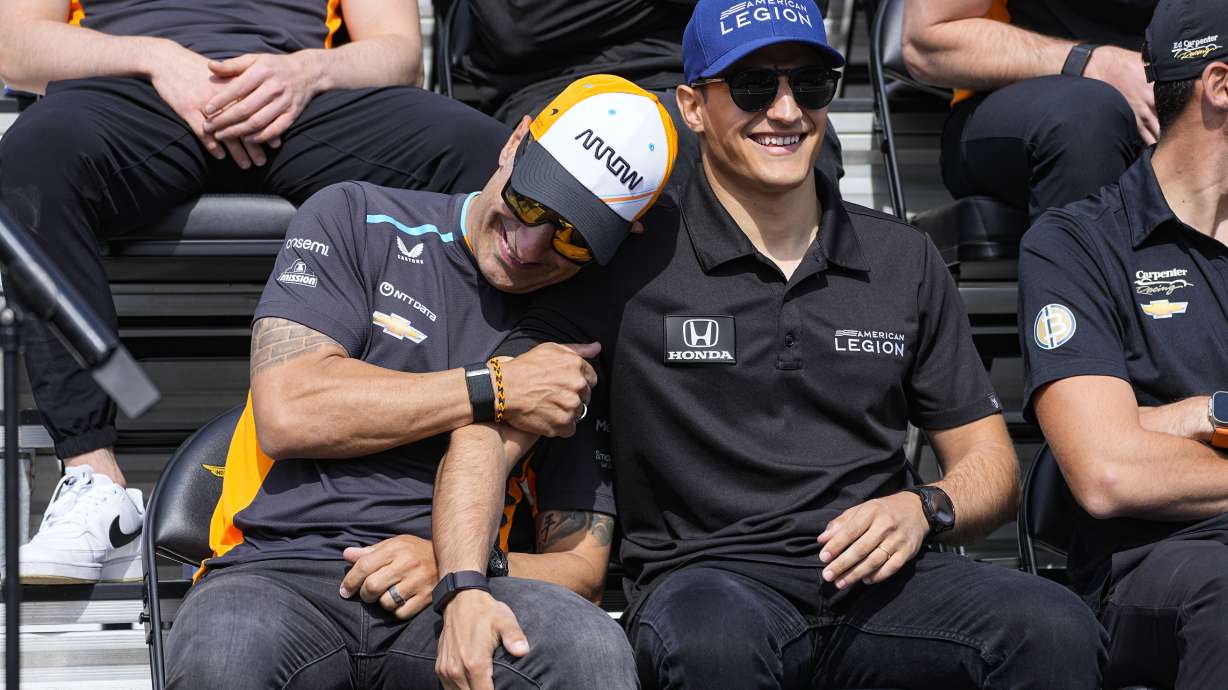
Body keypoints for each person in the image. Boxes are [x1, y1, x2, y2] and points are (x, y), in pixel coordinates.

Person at [430, 1, 1107, 688]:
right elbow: (489, 430)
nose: (786, 111)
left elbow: (990, 463)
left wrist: (924, 507)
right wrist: (462, 583)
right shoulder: (627, 263)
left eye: (810, 84)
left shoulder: (904, 256)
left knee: (1055, 627)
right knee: (712, 642)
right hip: (710, 586)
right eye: (753, 86)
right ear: (692, 107)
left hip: (886, 585)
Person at [164, 74, 678, 688]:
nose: (530, 244)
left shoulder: (578, 328)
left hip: (462, 589)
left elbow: (583, 567)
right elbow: (288, 410)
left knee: (590, 650)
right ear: (515, 143)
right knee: (222, 651)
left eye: (572, 235)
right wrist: (497, 387)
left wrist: (459, 566)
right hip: (280, 571)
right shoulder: (356, 217)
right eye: (532, 201)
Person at [0, 0, 513, 584]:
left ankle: (447, 480)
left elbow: (399, 52)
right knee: (25, 170)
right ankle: (96, 480)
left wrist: (304, 73)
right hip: (129, 92)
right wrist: (155, 60)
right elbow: (15, 49)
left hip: (303, 98)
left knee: (486, 165)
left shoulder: (306, 77)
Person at [1020, 1, 1228, 686]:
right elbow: (1108, 471)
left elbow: (1119, 444)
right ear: (1220, 85)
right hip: (1156, 561)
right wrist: (1135, 435)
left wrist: (1184, 420)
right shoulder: (1075, 243)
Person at [449, 0, 843, 190]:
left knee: (798, 143)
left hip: (731, 70)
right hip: (565, 86)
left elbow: (799, 8)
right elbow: (521, 23)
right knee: (630, 146)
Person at [902, 0, 1155, 220]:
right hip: (1022, 106)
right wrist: (1093, 63)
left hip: (1167, 100)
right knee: (1086, 119)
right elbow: (926, 40)